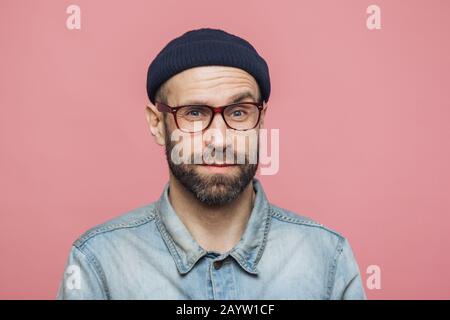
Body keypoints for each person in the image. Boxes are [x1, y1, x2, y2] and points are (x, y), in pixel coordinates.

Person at [57, 28, 366, 300]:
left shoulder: (327, 257)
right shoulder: (99, 263)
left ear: (261, 121)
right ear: (156, 124)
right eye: (193, 113)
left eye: (239, 112)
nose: (219, 140)